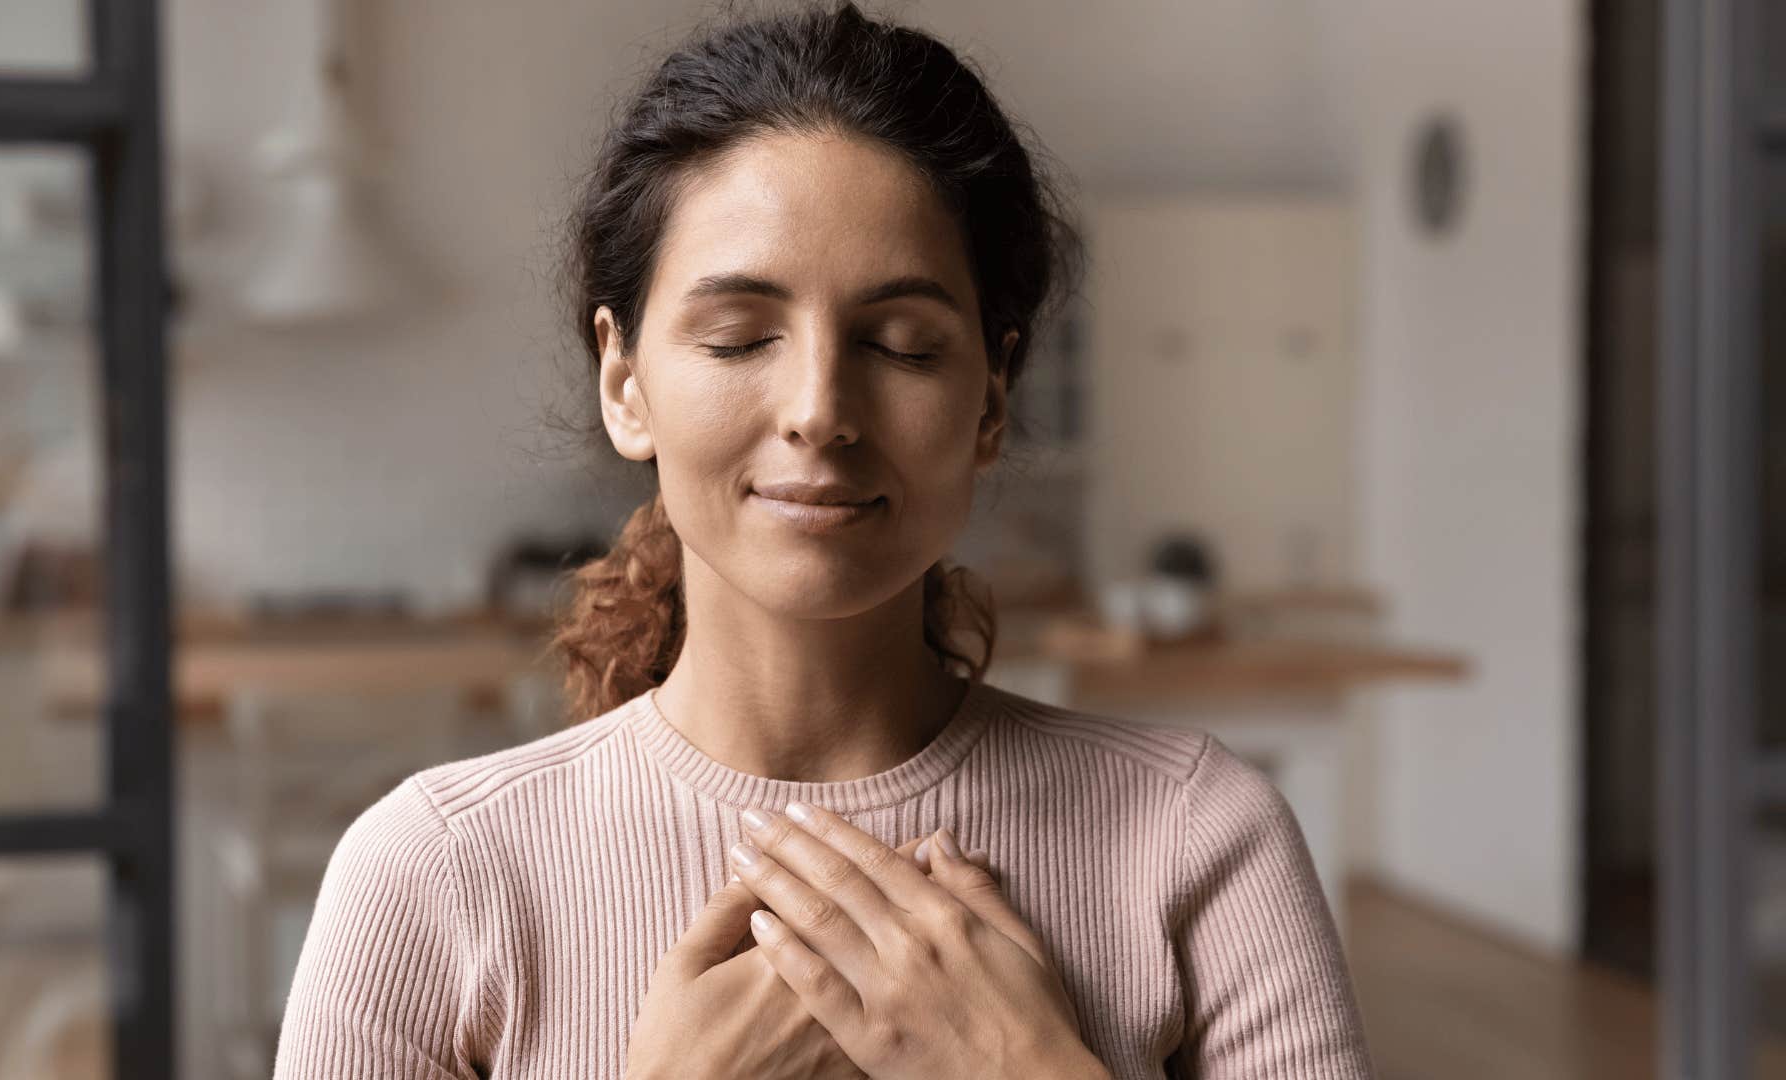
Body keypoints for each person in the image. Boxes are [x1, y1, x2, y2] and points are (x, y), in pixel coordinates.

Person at [273, 3, 1376, 1077]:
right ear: (625, 382)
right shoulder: (435, 876)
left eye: (901, 345)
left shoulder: (1197, 841)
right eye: (741, 335)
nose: (818, 407)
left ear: (990, 399)